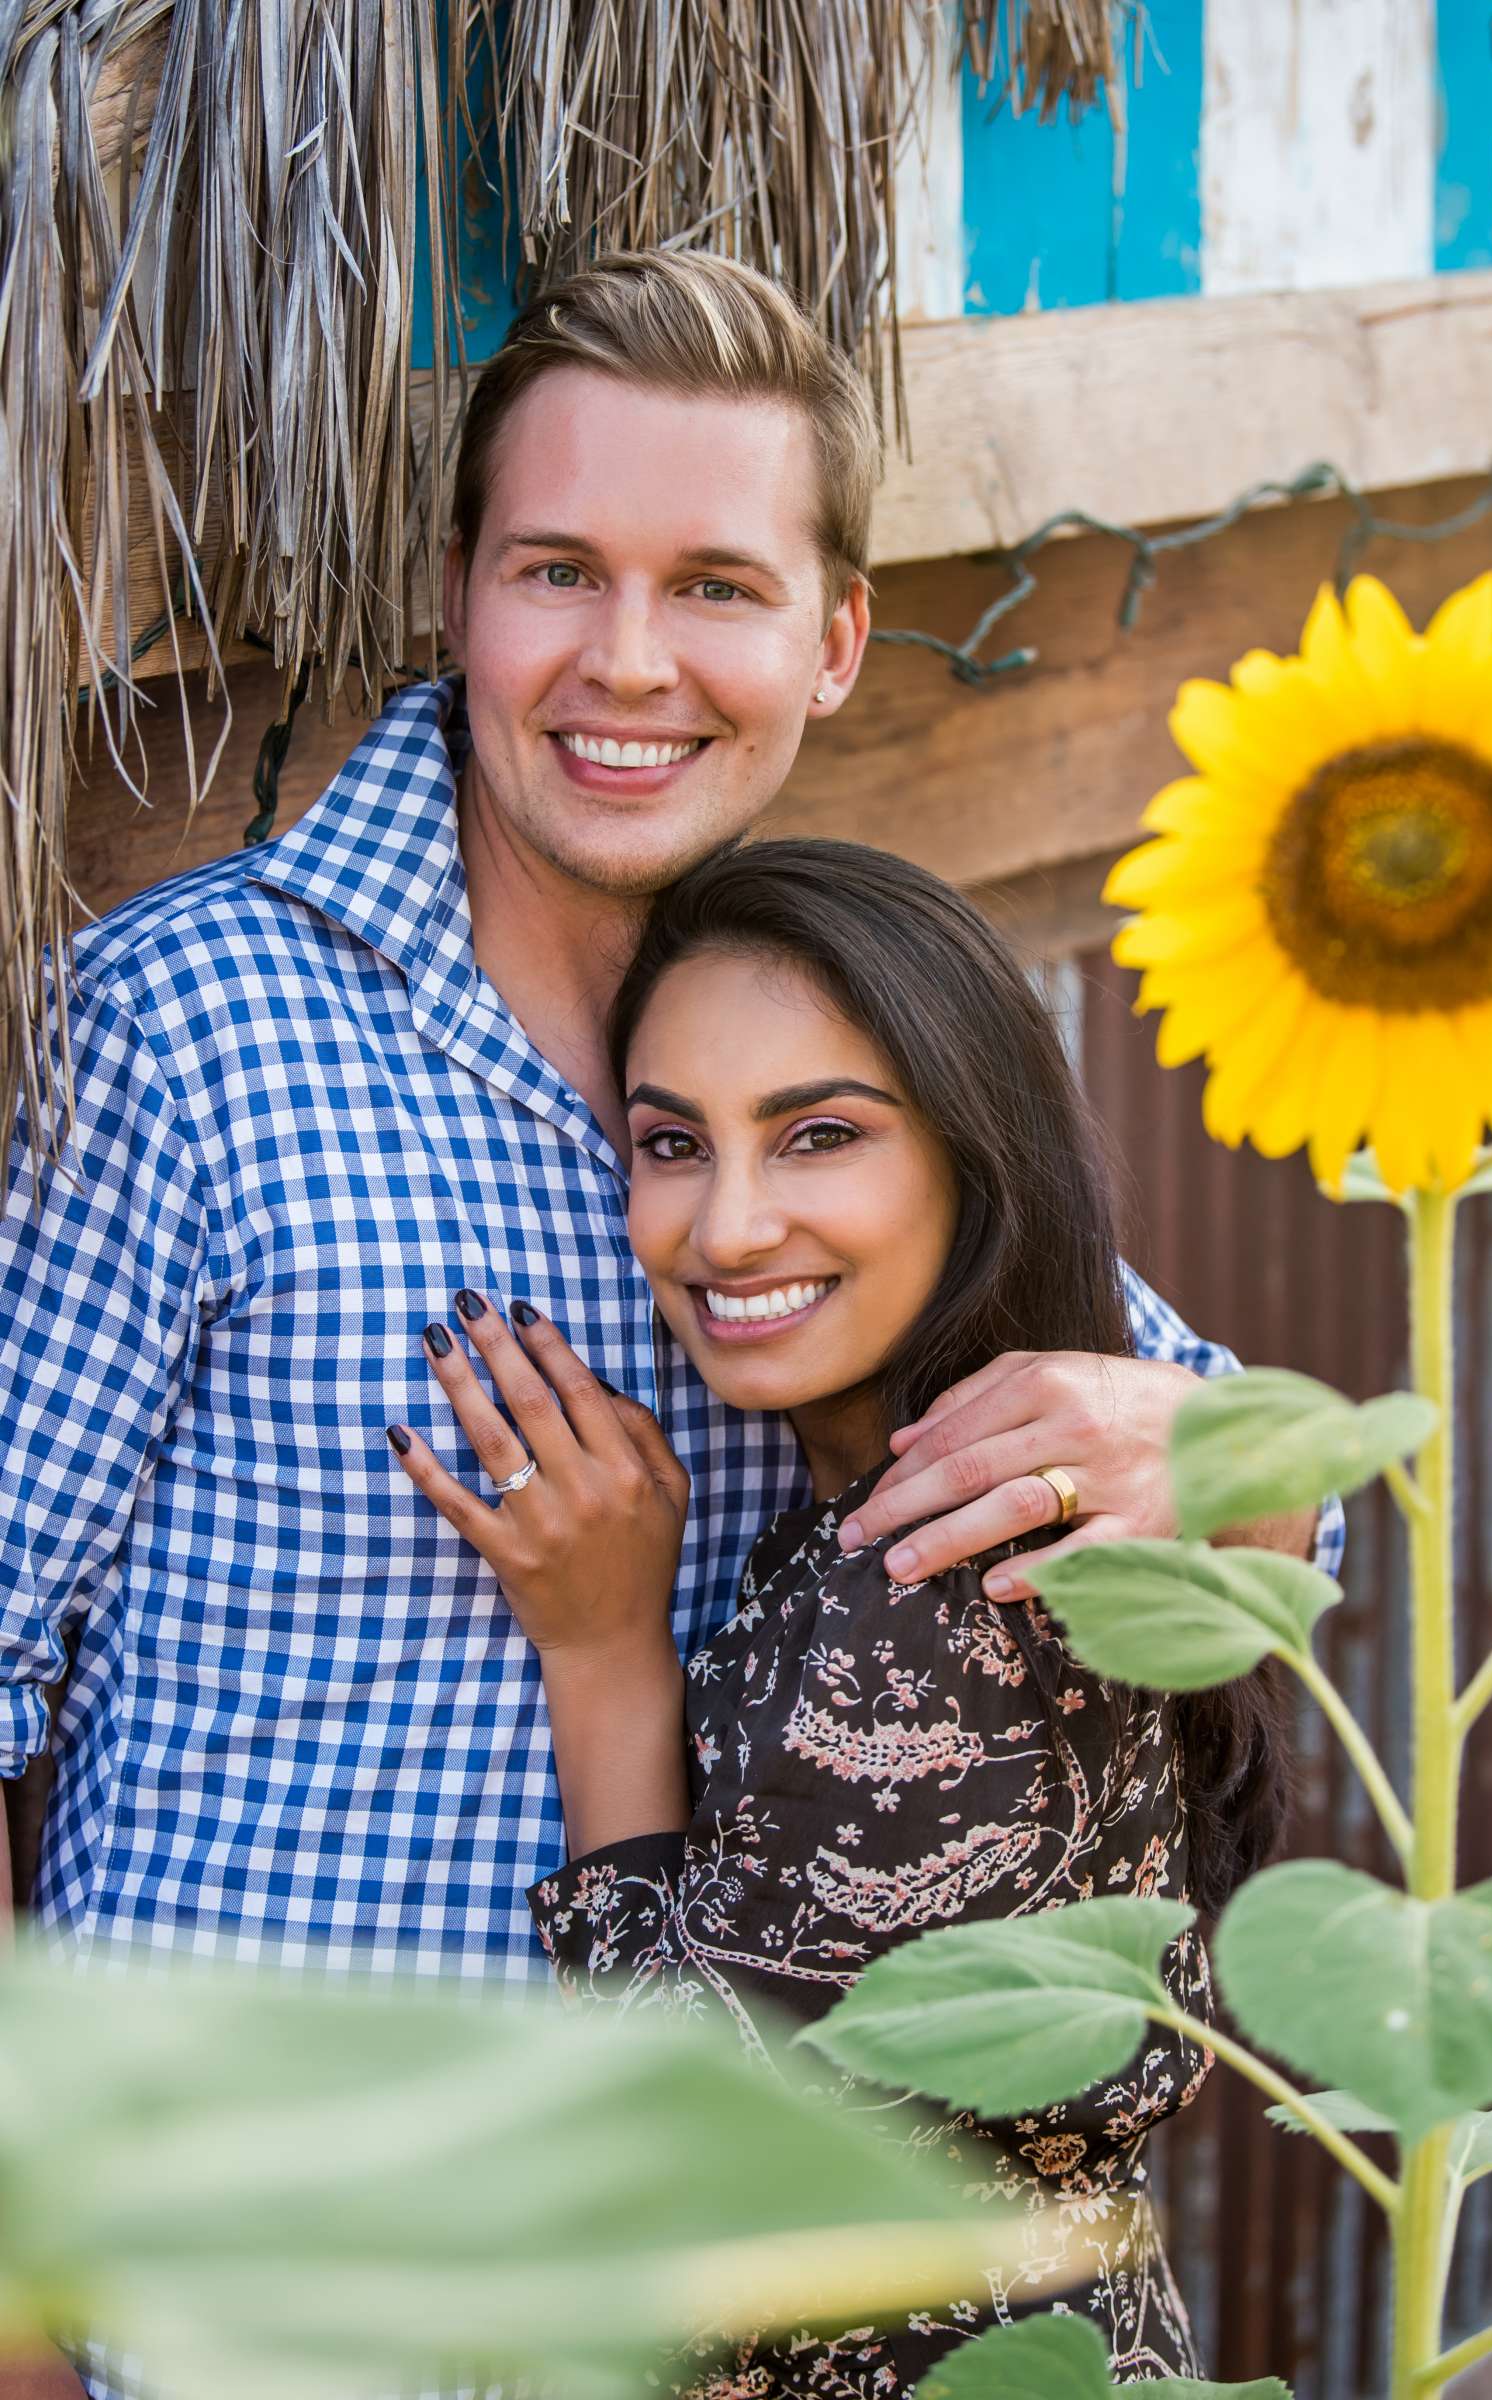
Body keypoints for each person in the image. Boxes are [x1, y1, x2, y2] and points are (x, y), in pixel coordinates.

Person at [0, 252, 1337, 2400]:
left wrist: (1219, 1466)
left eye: (714, 583)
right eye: (560, 570)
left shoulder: (827, 1058)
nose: (629, 663)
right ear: (460, 597)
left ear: (832, 640)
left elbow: (1250, 1497)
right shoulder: (189, 1033)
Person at [391, 838, 1292, 2389]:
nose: (726, 1229)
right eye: (672, 1145)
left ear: (972, 1150)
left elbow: (703, 2190)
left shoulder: (932, 1594)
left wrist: (601, 1655)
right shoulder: (976, 1497)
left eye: (815, 1136)